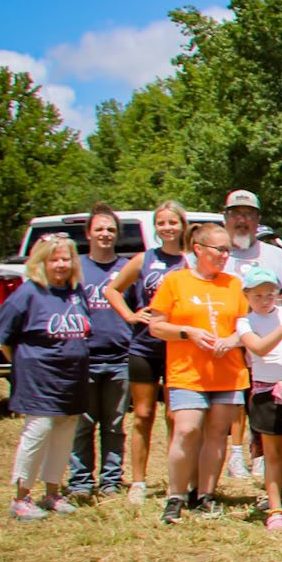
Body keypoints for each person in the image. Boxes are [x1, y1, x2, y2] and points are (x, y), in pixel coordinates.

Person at [146, 222, 250, 524]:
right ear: (198, 249)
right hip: (187, 373)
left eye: (228, 251)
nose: (224, 256)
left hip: (228, 372)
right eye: (219, 250)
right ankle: (176, 496)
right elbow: (156, 325)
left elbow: (246, 326)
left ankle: (206, 495)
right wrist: (186, 332)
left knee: (217, 434)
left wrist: (232, 341)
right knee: (187, 430)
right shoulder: (175, 282)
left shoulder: (233, 284)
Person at [102, 199, 189, 506]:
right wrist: (130, 316)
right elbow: (111, 289)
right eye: (162, 223)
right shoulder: (144, 259)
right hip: (144, 347)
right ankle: (138, 481)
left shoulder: (190, 260)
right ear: (155, 227)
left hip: (179, 348)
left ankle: (175, 481)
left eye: (172, 222)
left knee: (176, 416)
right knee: (142, 414)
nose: (168, 228)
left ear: (183, 225)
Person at [0, 234, 91, 520]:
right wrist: (24, 366)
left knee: (65, 432)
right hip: (38, 379)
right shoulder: (29, 292)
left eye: (66, 259)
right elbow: (5, 338)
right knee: (38, 432)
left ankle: (52, 493)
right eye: (54, 259)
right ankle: (21, 497)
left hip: (71, 379)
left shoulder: (77, 292)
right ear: (42, 262)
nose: (61, 264)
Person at [235, 267, 282, 530]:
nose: (265, 300)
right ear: (247, 295)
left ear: (278, 293)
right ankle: (275, 508)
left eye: (270, 294)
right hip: (266, 394)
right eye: (258, 295)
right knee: (273, 453)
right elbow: (258, 348)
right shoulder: (245, 322)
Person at [67, 206, 130, 500]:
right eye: (100, 229)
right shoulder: (75, 267)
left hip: (120, 357)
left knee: (114, 424)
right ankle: (80, 482)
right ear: (88, 233)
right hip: (84, 357)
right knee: (83, 423)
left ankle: (111, 480)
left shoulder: (126, 267)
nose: (105, 234)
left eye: (110, 230)